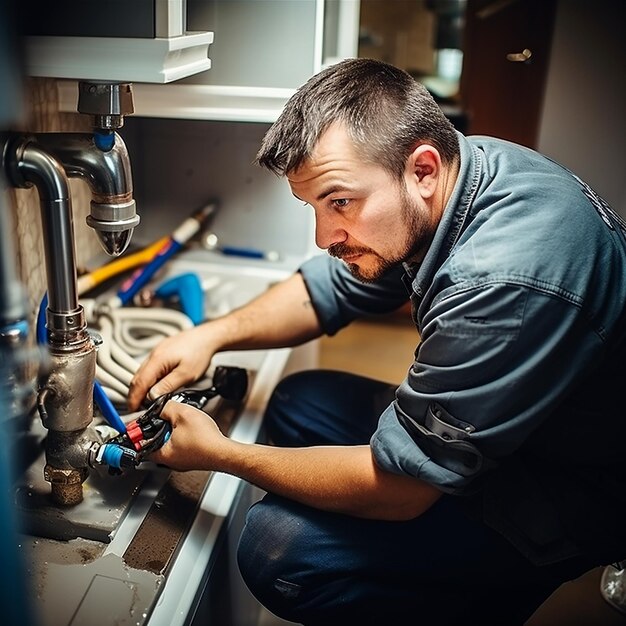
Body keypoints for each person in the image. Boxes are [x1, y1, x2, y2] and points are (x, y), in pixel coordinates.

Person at [128, 58, 626, 625]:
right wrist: (209, 336)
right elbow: (329, 291)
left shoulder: (501, 279)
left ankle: (482, 597)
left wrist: (221, 455)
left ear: (422, 170)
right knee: (298, 402)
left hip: (562, 487)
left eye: (339, 202)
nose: (323, 236)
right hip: (518, 431)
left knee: (278, 549)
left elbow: (401, 491)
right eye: (313, 207)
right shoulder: (462, 172)